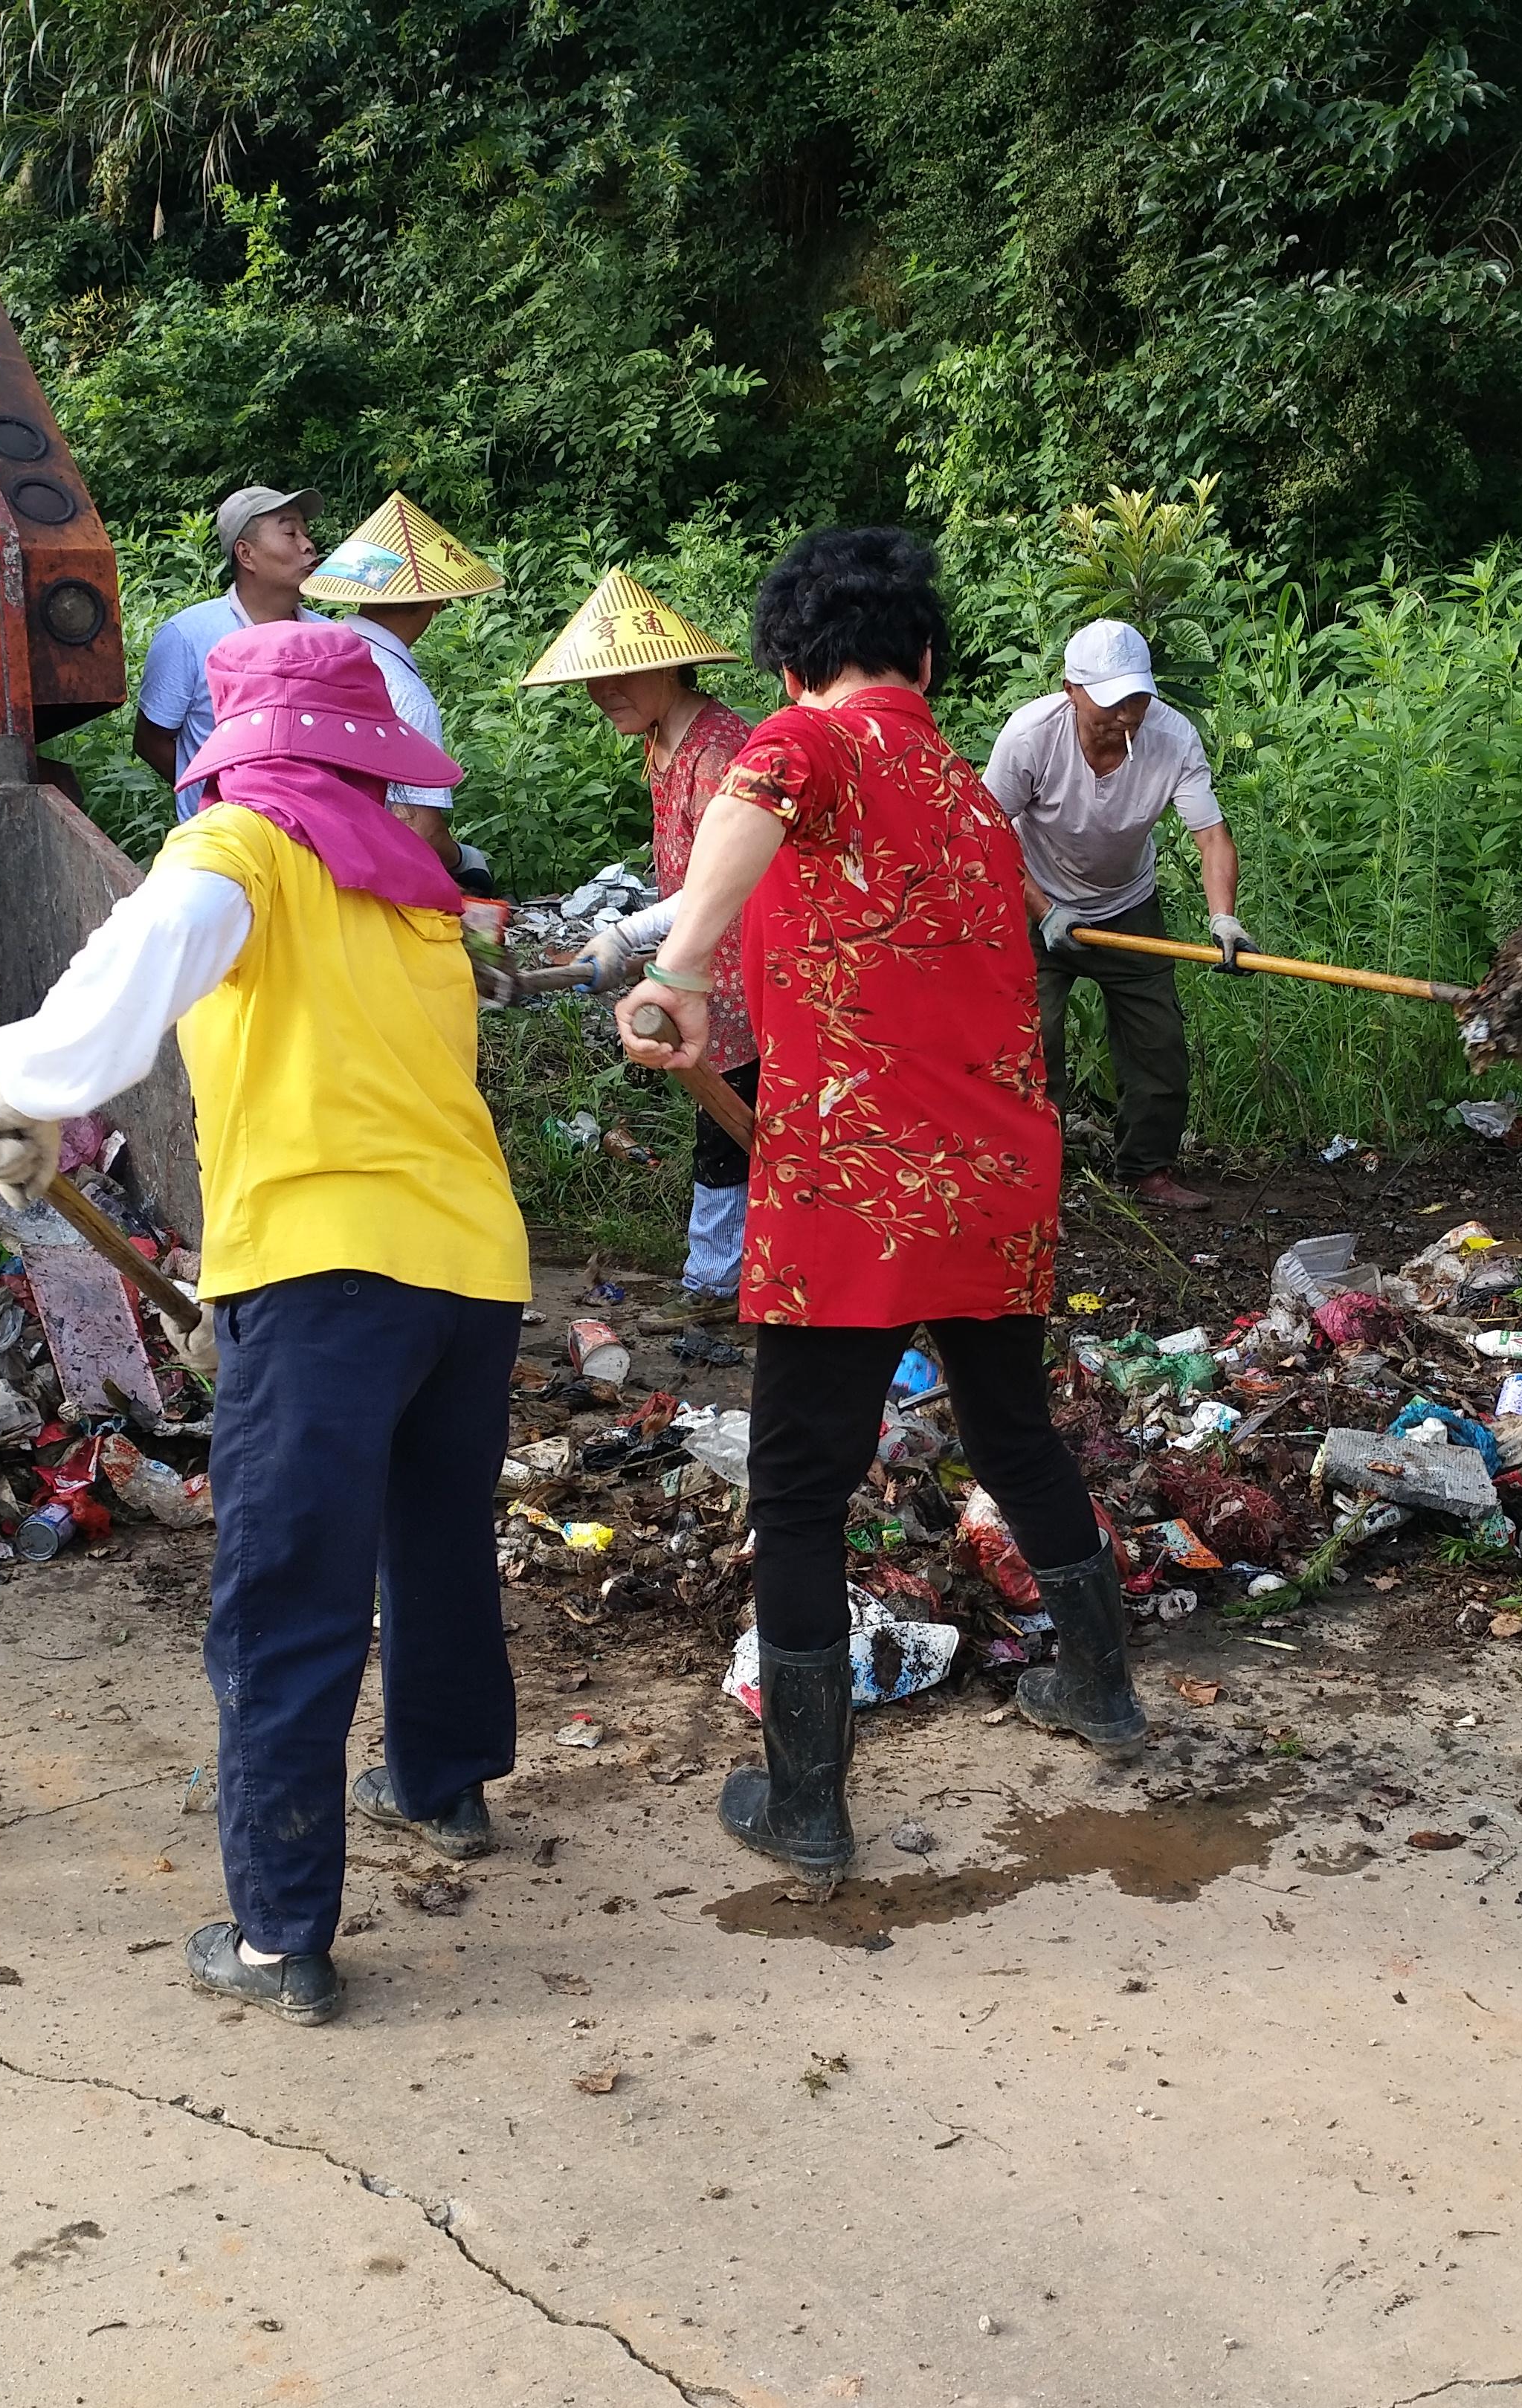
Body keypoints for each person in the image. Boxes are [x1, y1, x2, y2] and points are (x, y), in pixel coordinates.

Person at [0, 620, 529, 2028]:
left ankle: (280, 1934)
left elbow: (137, 965)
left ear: (235, 752)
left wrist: (23, 1087)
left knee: (285, 1591)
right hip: (470, 1266)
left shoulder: (239, 849)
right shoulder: (413, 886)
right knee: (432, 1544)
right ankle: (440, 1787)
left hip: (323, 1273)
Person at [621, 529, 1145, 1879]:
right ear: (923, 655)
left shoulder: (809, 748)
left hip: (856, 1185)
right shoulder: (970, 796)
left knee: (799, 1487)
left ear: (789, 667)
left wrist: (677, 974)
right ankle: (1099, 1687)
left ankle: (806, 1807)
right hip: (994, 1179)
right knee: (1011, 1432)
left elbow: (759, 791)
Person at [520, 569, 761, 1312]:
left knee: (738, 1128)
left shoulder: (721, 751)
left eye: (621, 675)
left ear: (669, 666)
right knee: (724, 1121)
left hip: (747, 970)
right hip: (700, 969)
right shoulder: (661, 742)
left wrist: (625, 933)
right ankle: (734, 1272)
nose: (606, 693)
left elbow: (727, 881)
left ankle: (719, 1283)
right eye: (595, 681)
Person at [985, 619, 1247, 1212]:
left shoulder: (1171, 738)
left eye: (1136, 698)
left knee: (1158, 1044)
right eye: (1110, 702)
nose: (1126, 715)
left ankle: (1146, 1169)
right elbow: (987, 834)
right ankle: (1033, 1188)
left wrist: (1223, 918)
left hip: (1128, 907)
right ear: (1071, 689)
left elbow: (1212, 836)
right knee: (1033, 1045)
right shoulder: (1031, 737)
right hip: (1033, 905)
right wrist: (1045, 911)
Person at [307, 490, 507, 895]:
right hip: (368, 878)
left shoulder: (314, 651)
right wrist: (464, 860)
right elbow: (420, 826)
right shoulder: (402, 692)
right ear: (438, 601)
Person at [132, 486, 338, 815]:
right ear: (246, 554)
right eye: (289, 533)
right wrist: (212, 795)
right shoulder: (188, 636)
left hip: (315, 839)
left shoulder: (331, 640)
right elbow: (150, 741)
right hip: (224, 848)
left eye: (306, 532)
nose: (307, 544)